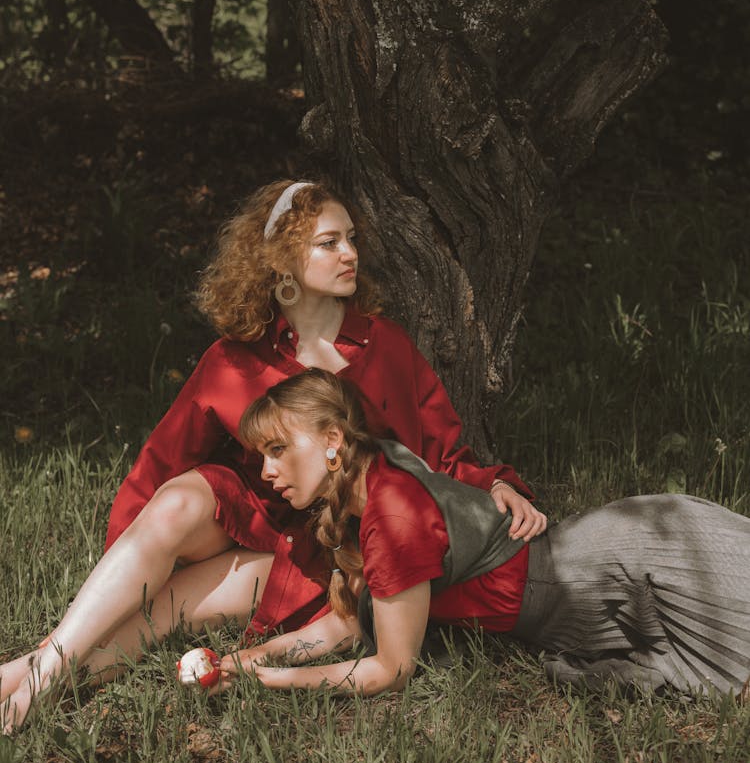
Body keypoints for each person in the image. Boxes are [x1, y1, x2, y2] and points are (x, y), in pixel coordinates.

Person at [0, 179, 545, 732]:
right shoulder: (233, 360)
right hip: (246, 514)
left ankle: (22, 678)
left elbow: (440, 452)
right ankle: (40, 680)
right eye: (329, 242)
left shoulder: (386, 347)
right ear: (283, 261)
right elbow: (161, 466)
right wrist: (126, 563)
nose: (350, 253)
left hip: (322, 550)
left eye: (351, 239)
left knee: (159, 613)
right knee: (174, 502)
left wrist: (496, 485)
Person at [214, 369, 750, 699]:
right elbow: (342, 629)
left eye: (278, 450)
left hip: (631, 572)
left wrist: (273, 683)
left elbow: (389, 671)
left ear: (333, 440)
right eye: (261, 456)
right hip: (605, 576)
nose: (265, 471)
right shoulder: (375, 484)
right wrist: (242, 663)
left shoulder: (391, 513)